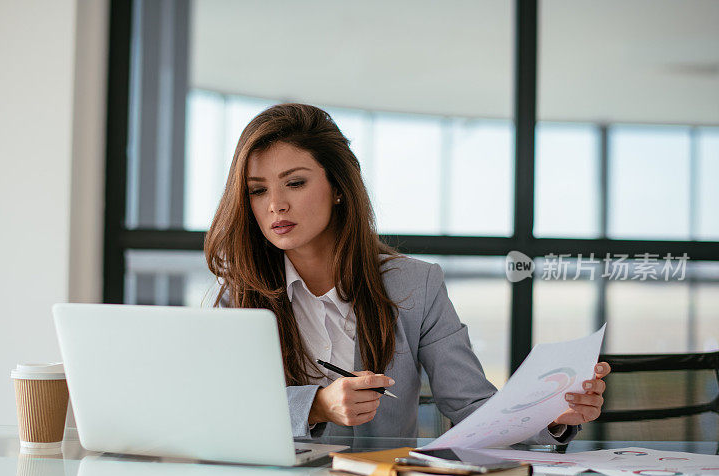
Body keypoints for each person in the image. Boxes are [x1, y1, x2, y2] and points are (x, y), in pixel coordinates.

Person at [204, 103, 610, 442]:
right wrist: (317, 405)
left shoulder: (416, 285)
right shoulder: (236, 296)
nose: (275, 204)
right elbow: (219, 411)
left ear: (339, 187)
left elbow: (470, 406)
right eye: (258, 190)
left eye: (294, 183)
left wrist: (551, 414)